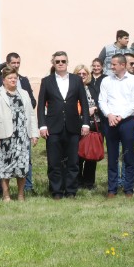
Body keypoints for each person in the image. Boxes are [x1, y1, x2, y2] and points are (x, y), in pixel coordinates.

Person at [37, 51, 91, 199]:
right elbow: (41, 105)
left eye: (63, 61)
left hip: (73, 126)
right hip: (53, 127)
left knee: (73, 162)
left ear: (67, 62)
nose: (60, 64)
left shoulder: (76, 80)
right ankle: (56, 191)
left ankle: (71, 190)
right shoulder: (47, 81)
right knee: (54, 161)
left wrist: (85, 122)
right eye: (57, 61)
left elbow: (84, 104)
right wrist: (42, 125)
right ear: (53, 64)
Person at [0, 67, 39, 201]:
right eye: (10, 78)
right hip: (4, 136)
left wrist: (34, 133)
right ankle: (6, 194)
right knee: (4, 166)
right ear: (4, 80)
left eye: (15, 78)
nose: (13, 80)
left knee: (22, 166)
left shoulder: (24, 93)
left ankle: (21, 194)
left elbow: (31, 114)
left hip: (22, 136)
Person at [98, 54, 134, 198]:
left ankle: (129, 189)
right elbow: (102, 101)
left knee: (128, 156)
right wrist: (109, 115)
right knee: (112, 156)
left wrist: (120, 116)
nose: (111, 67)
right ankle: (112, 188)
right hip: (110, 122)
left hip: (127, 121)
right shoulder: (106, 81)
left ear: (123, 65)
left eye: (114, 64)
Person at [74, 64, 102, 190]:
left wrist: (94, 108)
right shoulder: (72, 88)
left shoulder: (93, 88)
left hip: (94, 124)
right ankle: (78, 181)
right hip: (78, 125)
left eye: (84, 74)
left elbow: (101, 102)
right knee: (78, 154)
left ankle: (89, 182)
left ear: (88, 75)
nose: (81, 76)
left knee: (92, 154)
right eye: (79, 74)